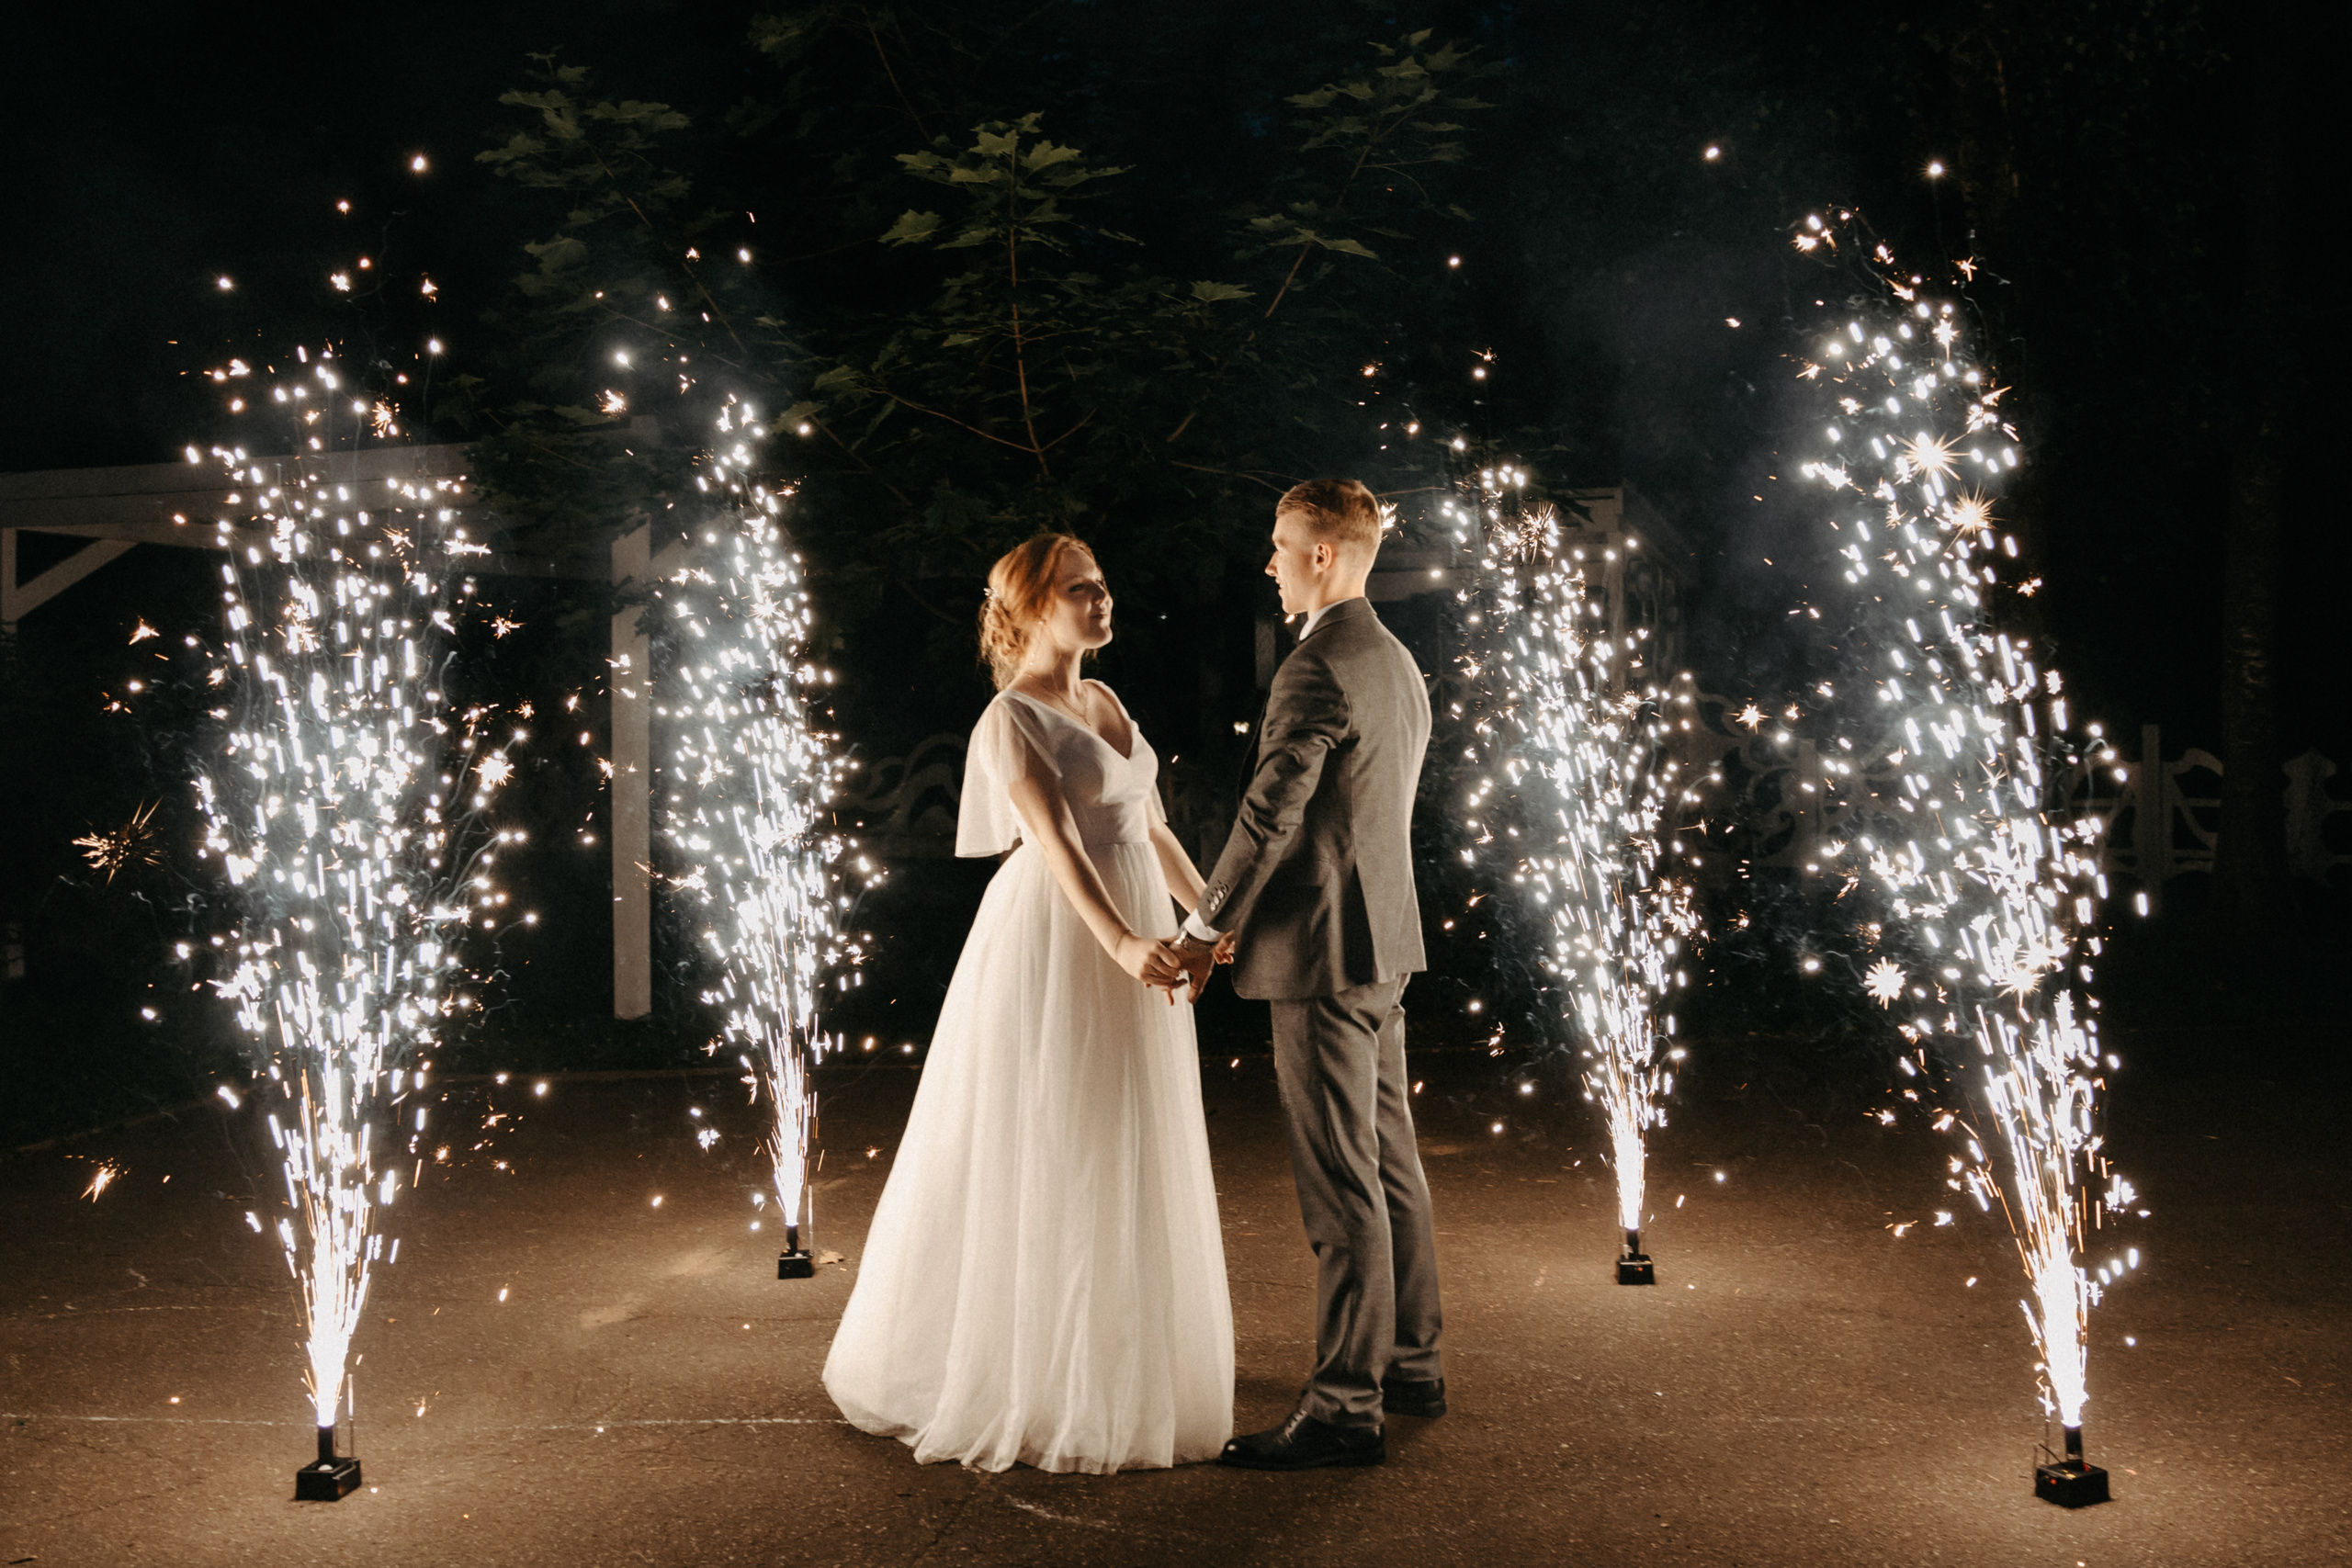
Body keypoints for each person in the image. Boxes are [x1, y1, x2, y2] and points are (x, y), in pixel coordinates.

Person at [821, 533, 1235, 1473]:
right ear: (1034, 607)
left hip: (1133, 912)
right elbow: (1056, 846)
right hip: (1062, 934)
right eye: (1082, 591)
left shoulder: (1105, 698)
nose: (1102, 602)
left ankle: (1125, 1354)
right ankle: (1036, 1369)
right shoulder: (1011, 720)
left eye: (1103, 586)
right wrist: (1125, 940)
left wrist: (1206, 911)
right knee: (1055, 1132)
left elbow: (1148, 822)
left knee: (1126, 1129)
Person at [1172, 478, 1443, 1472]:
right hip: (1384, 947)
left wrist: (1206, 924)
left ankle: (1342, 1406)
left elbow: (1270, 814)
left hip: (1322, 954)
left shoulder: (1316, 666)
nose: (1271, 563)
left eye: (1281, 546)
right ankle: (1412, 1362)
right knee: (1391, 1167)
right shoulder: (1397, 661)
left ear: (1322, 554)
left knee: (1341, 1187)